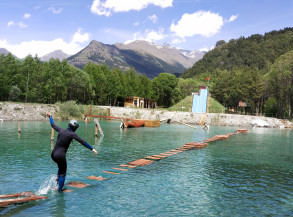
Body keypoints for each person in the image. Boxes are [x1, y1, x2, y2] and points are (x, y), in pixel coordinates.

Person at [46, 112, 98, 191]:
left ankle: (57, 183)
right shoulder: (72, 134)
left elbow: (53, 125)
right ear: (75, 128)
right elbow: (83, 142)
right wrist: (92, 149)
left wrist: (50, 117)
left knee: (60, 168)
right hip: (60, 155)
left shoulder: (61, 130)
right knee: (63, 172)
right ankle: (59, 190)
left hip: (53, 154)